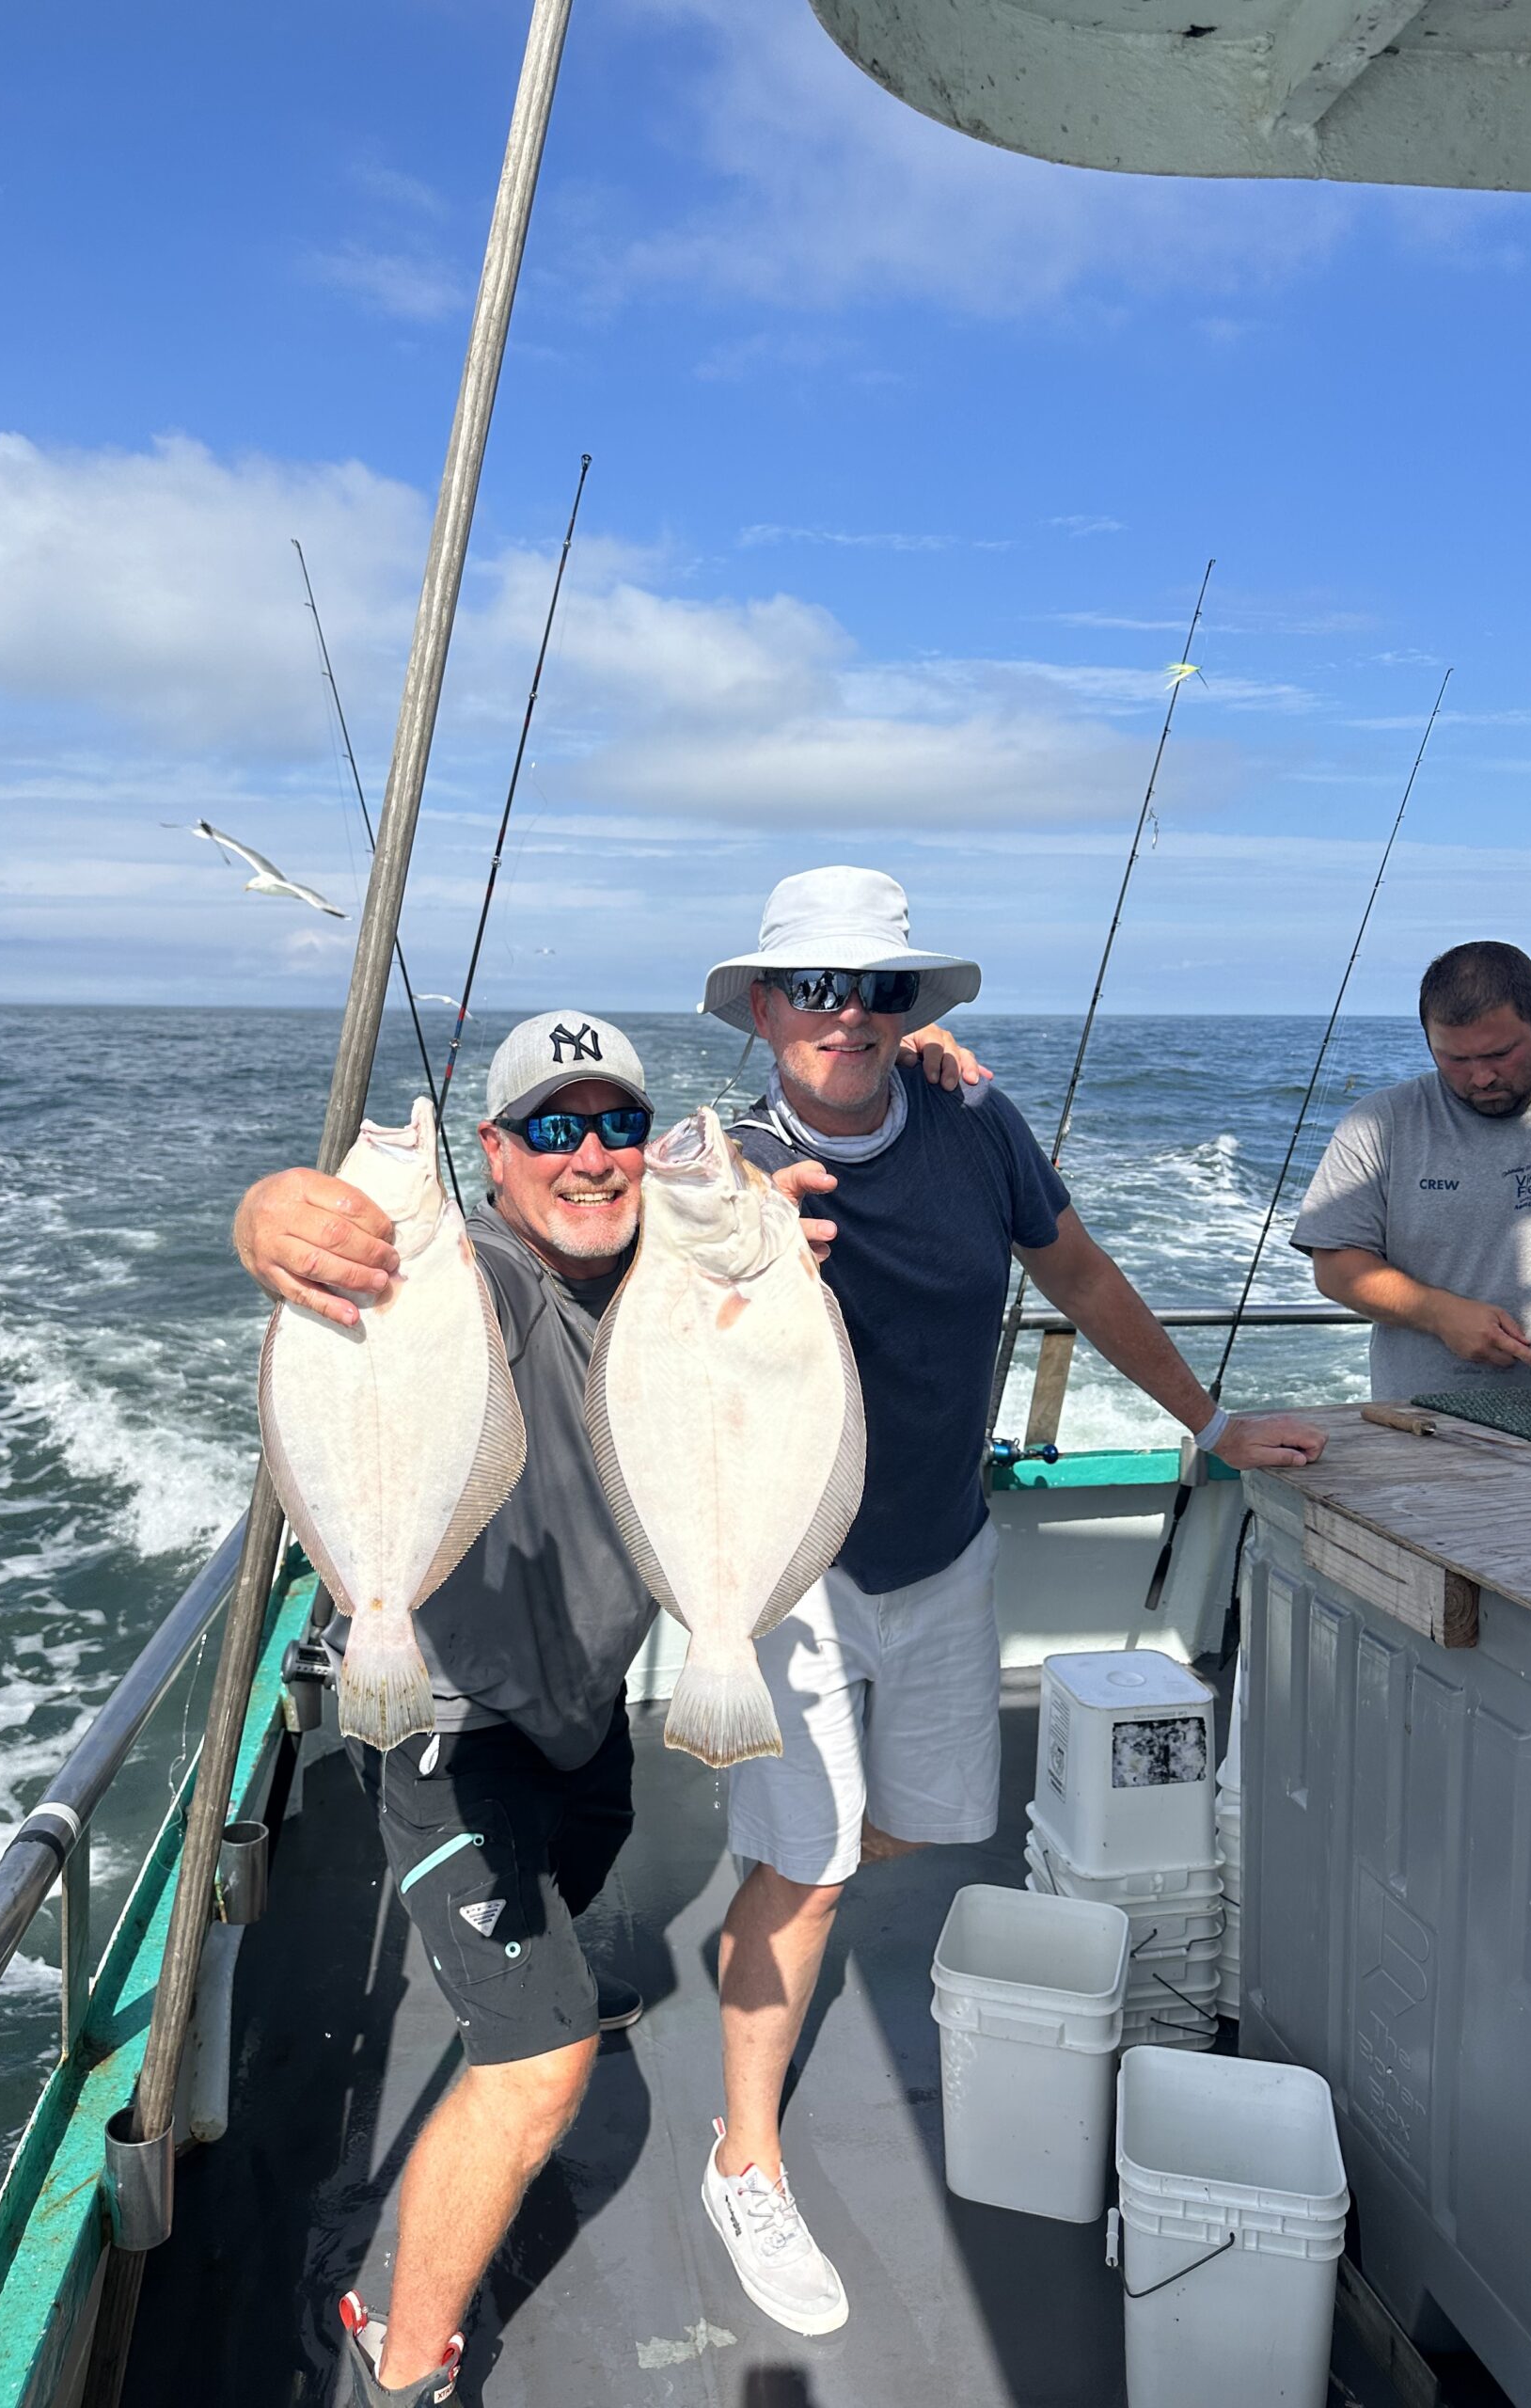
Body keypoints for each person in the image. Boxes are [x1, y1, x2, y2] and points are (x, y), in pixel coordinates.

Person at [232, 1004, 980, 2405]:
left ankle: (559, 1972)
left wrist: (911, 1063)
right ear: (493, 1155)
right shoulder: (475, 1276)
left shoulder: (663, 1270)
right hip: (451, 1733)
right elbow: (332, 1249)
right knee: (539, 2069)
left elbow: (771, 1221)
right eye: (553, 1129)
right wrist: (271, 1216)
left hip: (588, 1711)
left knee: (586, 1875)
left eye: (618, 1124)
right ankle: (400, 2353)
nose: (593, 1157)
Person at [694, 865, 1327, 2338]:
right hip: (783, 1577)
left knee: (918, 1825)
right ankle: (745, 2154)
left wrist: (1212, 1423)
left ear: (915, 1008)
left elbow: (1085, 1275)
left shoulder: (975, 1121)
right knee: (823, 1867)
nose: (849, 1014)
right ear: (763, 1006)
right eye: (817, 987)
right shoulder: (714, 1165)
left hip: (944, 1546)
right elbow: (571, 1259)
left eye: (882, 988)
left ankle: (772, 1894)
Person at [1293, 940, 1531, 1402]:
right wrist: (1440, 1314)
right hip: (1423, 1425)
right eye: (1455, 1059)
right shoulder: (1381, 1122)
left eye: (1501, 1054)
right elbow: (1336, 1268)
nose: (1481, 1077)